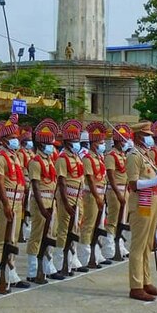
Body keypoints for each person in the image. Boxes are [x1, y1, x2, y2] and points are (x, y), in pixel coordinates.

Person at [125, 121, 157, 302]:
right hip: (142, 201)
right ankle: (136, 286)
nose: (150, 137)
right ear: (137, 136)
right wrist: (155, 181)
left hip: (153, 201)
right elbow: (134, 184)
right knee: (138, 246)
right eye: (146, 135)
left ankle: (146, 281)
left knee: (148, 245)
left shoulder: (146, 155)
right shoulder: (134, 156)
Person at [0, 115, 30, 292]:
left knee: (12, 239)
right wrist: (5, 204)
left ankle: (10, 272)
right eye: (12, 137)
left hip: (17, 200)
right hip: (6, 200)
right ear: (4, 140)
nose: (16, 140)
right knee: (0, 240)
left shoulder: (15, 157)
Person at [25, 118, 60, 282]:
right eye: (49, 144)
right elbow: (36, 186)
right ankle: (33, 270)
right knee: (37, 235)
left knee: (50, 234)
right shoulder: (35, 162)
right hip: (41, 202)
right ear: (40, 145)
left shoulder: (50, 160)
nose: (52, 147)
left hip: (51, 201)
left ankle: (47, 265)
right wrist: (42, 208)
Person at [52, 119, 87, 276]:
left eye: (77, 140)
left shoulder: (76, 157)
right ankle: (60, 263)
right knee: (64, 229)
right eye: (74, 140)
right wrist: (65, 203)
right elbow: (61, 181)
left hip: (78, 196)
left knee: (75, 228)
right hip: (67, 196)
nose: (77, 143)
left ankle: (71, 259)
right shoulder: (62, 158)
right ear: (66, 142)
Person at [79, 122, 111, 268]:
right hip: (92, 195)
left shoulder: (99, 157)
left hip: (101, 193)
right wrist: (98, 197)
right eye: (100, 142)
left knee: (99, 225)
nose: (103, 145)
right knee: (89, 225)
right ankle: (85, 256)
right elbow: (90, 179)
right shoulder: (87, 158)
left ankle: (96, 253)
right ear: (92, 144)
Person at [104, 123, 131, 259]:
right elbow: (111, 176)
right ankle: (109, 247)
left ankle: (120, 245)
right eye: (124, 140)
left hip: (124, 190)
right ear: (118, 141)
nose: (125, 143)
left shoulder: (123, 155)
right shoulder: (111, 155)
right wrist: (118, 193)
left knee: (123, 221)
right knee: (113, 220)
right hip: (115, 191)